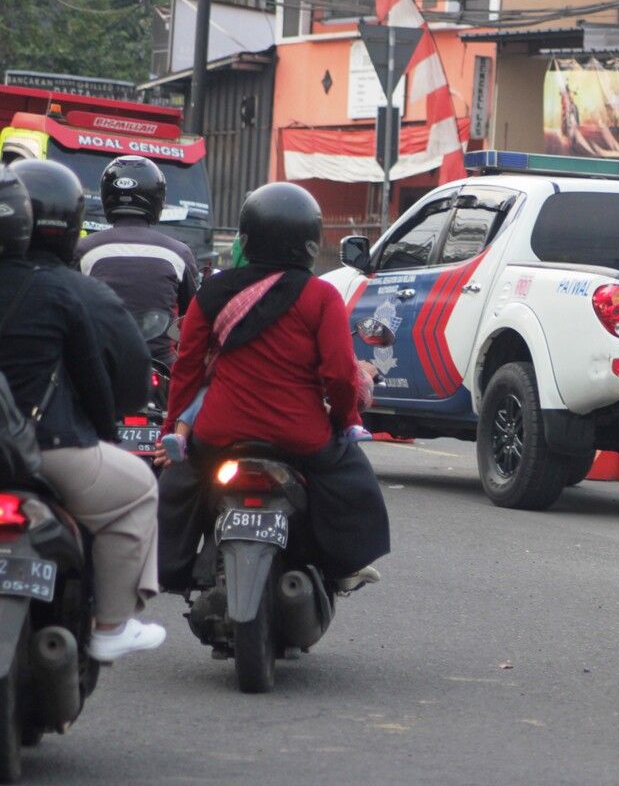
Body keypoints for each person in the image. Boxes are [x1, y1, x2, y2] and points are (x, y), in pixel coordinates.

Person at [156, 181, 389, 593]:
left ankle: (170, 570)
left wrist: (173, 427)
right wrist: (343, 421)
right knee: (351, 477)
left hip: (218, 433)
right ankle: (342, 567)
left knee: (177, 484)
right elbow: (338, 375)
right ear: (311, 242)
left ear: (246, 237)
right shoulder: (322, 297)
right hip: (301, 435)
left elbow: (188, 368)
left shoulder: (213, 291)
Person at [1, 161, 165, 661]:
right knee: (139, 492)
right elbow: (108, 384)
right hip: (47, 449)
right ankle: (112, 625)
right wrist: (100, 433)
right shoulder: (66, 290)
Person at [74, 155, 198, 363]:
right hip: (160, 364)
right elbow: (193, 318)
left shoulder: (83, 249)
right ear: (157, 198)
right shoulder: (179, 252)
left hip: (101, 363)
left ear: (107, 195)